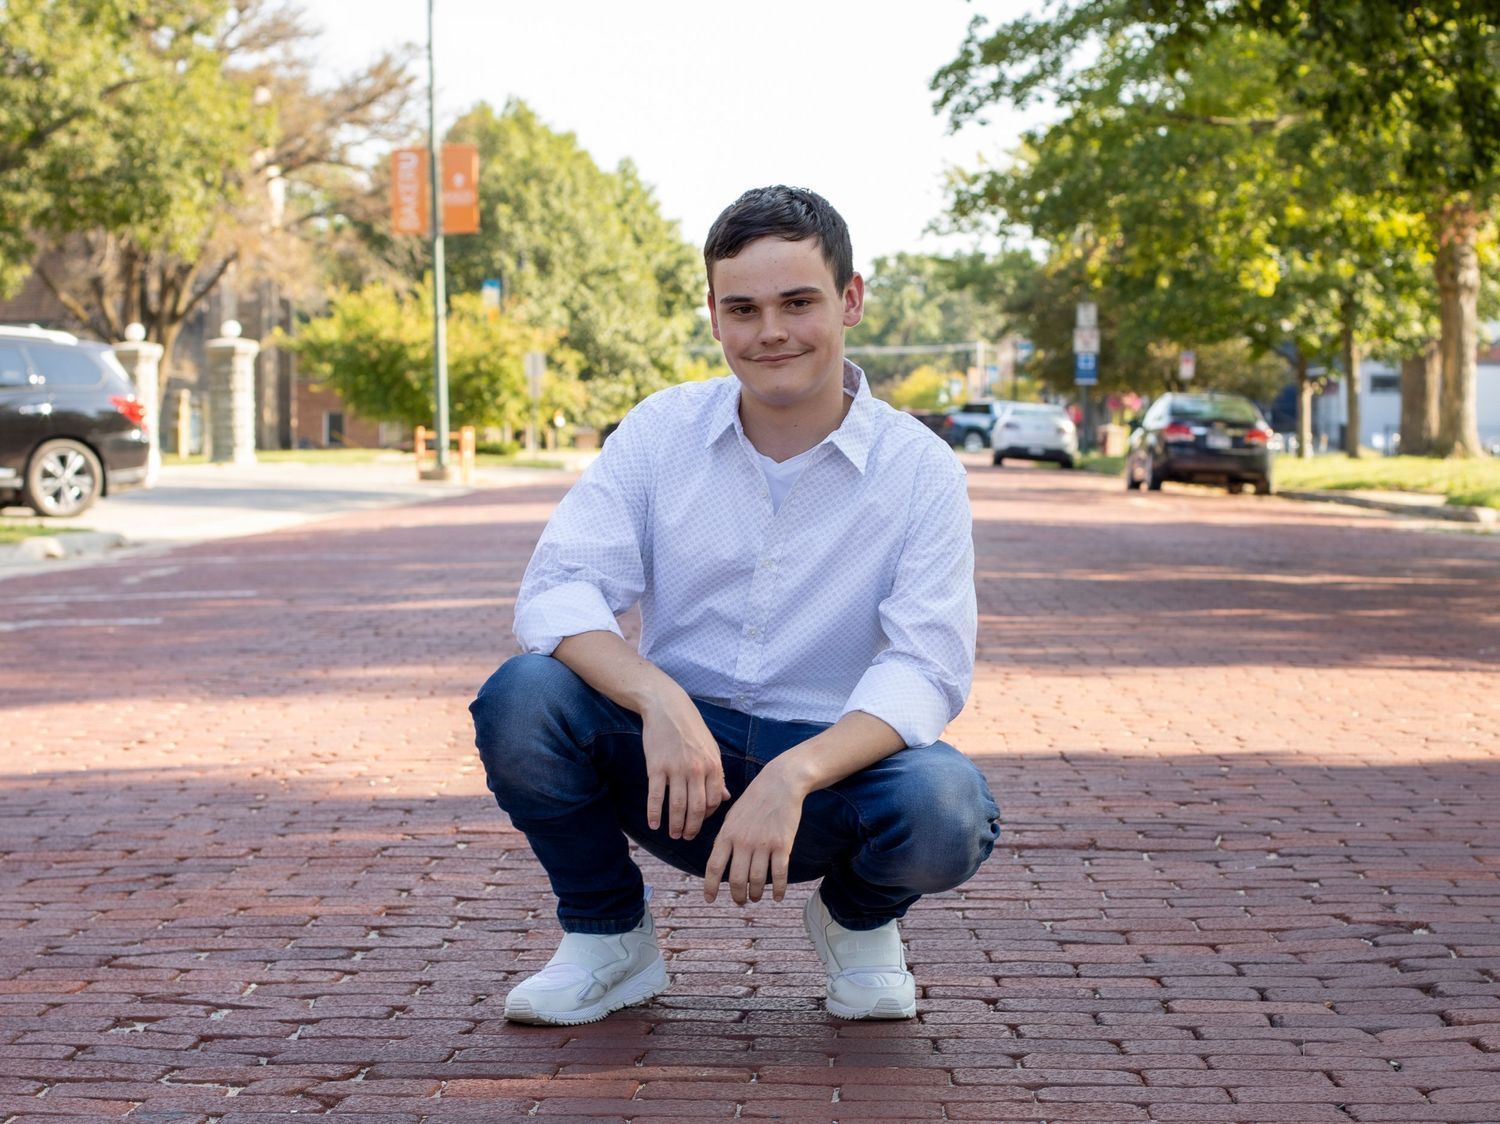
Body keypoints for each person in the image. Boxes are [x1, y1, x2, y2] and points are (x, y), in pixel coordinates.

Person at [471, 185, 1000, 1027]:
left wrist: (796, 773)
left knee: (947, 807)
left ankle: (857, 923)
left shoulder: (919, 469)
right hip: (672, 766)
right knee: (523, 697)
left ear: (851, 300)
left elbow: (925, 667)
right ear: (715, 317)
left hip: (830, 780)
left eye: (798, 302)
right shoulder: (662, 430)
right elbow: (561, 587)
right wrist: (657, 698)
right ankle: (609, 938)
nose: (771, 332)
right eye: (743, 309)